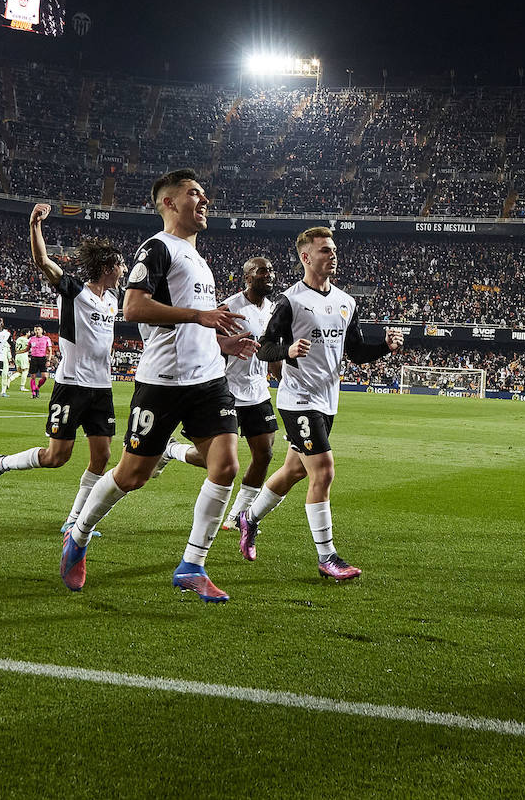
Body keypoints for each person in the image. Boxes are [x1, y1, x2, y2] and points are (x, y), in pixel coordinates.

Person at [60, 169, 257, 602]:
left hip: (208, 380)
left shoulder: (199, 260)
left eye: (205, 194)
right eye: (194, 194)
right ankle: (78, 534)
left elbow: (193, 328)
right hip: (162, 383)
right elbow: (132, 308)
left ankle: (192, 565)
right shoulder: (157, 247)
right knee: (133, 475)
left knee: (225, 466)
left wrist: (223, 341)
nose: (204, 201)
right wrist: (199, 316)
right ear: (169, 202)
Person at [234, 227, 404, 581]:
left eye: (333, 249)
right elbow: (264, 347)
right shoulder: (290, 301)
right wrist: (288, 350)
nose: (332, 255)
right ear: (306, 257)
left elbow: (355, 352)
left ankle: (247, 518)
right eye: (325, 250)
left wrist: (384, 347)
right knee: (323, 471)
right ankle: (328, 557)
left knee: (294, 471)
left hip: (328, 402)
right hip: (298, 400)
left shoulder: (346, 301)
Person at [0, 205, 128, 521]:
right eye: (121, 265)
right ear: (108, 267)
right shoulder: (74, 290)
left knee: (102, 456)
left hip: (102, 388)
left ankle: (74, 522)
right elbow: (42, 262)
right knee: (57, 456)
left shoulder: (113, 300)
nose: (124, 270)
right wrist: (34, 224)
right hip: (71, 385)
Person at [157, 257, 282, 530]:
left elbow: (271, 350)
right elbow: (201, 337)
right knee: (215, 459)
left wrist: (283, 380)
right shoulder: (230, 306)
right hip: (227, 389)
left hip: (258, 391)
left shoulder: (273, 309)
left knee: (265, 454)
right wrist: (225, 345)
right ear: (248, 277)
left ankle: (239, 515)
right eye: (263, 271)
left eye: (271, 270)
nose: (269, 275)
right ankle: (173, 450)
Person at [28, 326, 53, 398]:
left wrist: (48, 360)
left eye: (38, 329)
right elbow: (27, 348)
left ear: (42, 330)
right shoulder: (31, 339)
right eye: (35, 330)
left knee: (45, 377)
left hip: (42, 359)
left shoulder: (47, 339)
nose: (37, 331)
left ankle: (37, 388)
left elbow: (50, 350)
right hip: (34, 358)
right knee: (33, 377)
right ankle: (33, 393)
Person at [8, 331, 30, 396]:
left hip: (17, 355)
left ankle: (9, 380)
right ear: (26, 333)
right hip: (23, 355)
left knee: (19, 371)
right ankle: (22, 387)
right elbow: (29, 346)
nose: (29, 333)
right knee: (25, 371)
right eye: (28, 332)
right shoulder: (26, 340)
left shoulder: (18, 339)